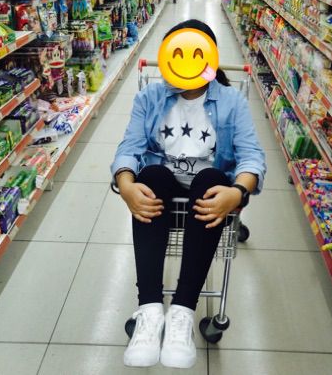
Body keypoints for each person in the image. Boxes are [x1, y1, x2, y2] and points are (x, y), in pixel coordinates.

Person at [111, 19, 266, 369]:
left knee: (212, 179)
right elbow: (129, 147)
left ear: (209, 59)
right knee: (150, 175)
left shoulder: (231, 102)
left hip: (207, 195)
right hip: (161, 190)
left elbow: (251, 156)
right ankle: (150, 310)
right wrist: (126, 184)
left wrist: (237, 192)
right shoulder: (150, 98)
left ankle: (182, 311)